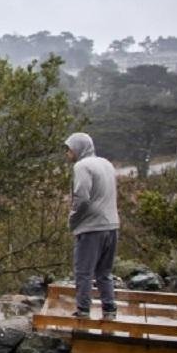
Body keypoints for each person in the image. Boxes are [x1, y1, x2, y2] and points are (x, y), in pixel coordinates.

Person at [64, 132, 120, 319]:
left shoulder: (82, 166)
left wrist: (73, 219)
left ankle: (83, 311)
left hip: (91, 228)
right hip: (111, 226)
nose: (67, 153)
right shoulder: (107, 164)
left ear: (78, 148)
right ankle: (109, 309)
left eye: (69, 149)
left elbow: (82, 198)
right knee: (104, 272)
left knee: (84, 272)